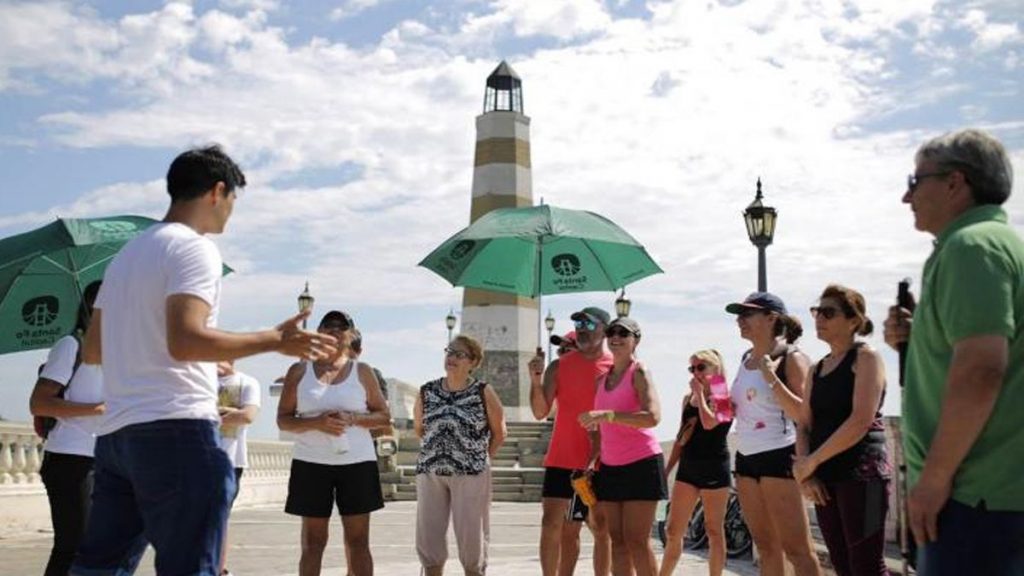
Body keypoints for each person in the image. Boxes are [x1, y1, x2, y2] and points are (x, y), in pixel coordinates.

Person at [71, 146, 335, 576]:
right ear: (217, 191)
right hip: (176, 429)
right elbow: (186, 341)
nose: (231, 211)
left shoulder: (124, 259)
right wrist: (273, 339)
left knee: (97, 568)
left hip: (118, 436)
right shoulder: (194, 249)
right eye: (233, 199)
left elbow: (93, 351)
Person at [883, 129, 1024, 575]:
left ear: (954, 182)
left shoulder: (970, 248)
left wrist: (934, 479)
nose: (907, 197)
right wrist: (918, 333)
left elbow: (981, 371)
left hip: (973, 496)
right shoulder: (997, 245)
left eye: (915, 180)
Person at [277, 310, 390, 576]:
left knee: (358, 542)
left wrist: (352, 418)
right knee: (312, 543)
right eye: (328, 325)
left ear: (351, 336)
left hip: (357, 463)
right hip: (311, 463)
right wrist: (316, 423)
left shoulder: (362, 372)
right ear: (319, 332)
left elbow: (384, 417)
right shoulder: (298, 371)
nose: (335, 330)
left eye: (342, 326)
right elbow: (283, 420)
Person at [794, 285, 890, 576]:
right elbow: (804, 423)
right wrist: (806, 472)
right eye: (816, 311)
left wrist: (812, 461)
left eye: (828, 312)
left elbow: (861, 419)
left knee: (868, 566)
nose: (819, 318)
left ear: (853, 320)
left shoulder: (866, 358)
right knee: (842, 564)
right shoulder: (817, 368)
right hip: (826, 478)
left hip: (866, 477)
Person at [725, 292, 822, 576]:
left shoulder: (791, 356)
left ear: (771, 318)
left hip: (780, 455)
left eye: (747, 314)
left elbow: (805, 416)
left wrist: (772, 377)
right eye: (738, 315)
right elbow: (745, 407)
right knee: (765, 548)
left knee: (798, 550)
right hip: (745, 458)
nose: (740, 320)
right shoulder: (745, 358)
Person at [29, 281, 114, 576]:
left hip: (104, 460)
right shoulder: (71, 346)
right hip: (69, 460)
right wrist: (95, 410)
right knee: (73, 546)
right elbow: (39, 403)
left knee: (98, 547)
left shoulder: (115, 355)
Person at [528, 306, 614, 576]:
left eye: (588, 324)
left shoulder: (615, 367)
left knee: (601, 528)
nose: (581, 329)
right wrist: (535, 378)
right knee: (550, 523)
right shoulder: (558, 366)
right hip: (562, 456)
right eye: (577, 323)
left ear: (604, 329)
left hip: (600, 460)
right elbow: (540, 412)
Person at [414, 334, 506, 576]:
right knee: (429, 539)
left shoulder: (483, 391)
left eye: (459, 354)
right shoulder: (426, 391)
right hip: (431, 473)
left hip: (471, 474)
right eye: (449, 351)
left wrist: (478, 459)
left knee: (471, 540)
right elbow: (419, 429)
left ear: (473, 362)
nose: (451, 357)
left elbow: (499, 433)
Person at [578, 317, 664, 576]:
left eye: (623, 333)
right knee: (616, 542)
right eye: (612, 332)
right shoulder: (600, 380)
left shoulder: (639, 371)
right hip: (610, 467)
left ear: (635, 340)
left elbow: (652, 417)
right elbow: (602, 429)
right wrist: (592, 459)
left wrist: (608, 415)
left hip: (642, 463)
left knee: (637, 541)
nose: (616, 337)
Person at [659, 349, 732, 576]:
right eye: (692, 368)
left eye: (701, 367)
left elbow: (710, 424)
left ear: (715, 368)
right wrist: (667, 469)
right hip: (689, 468)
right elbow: (682, 439)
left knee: (713, 530)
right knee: (673, 530)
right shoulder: (686, 399)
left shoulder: (724, 396)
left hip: (714, 468)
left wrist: (700, 396)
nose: (696, 373)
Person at [216, 359, 262, 576]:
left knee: (220, 517)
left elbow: (247, 416)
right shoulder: (200, 382)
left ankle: (219, 569)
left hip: (230, 461)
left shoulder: (247, 382)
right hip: (194, 460)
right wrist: (226, 413)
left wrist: (212, 413)